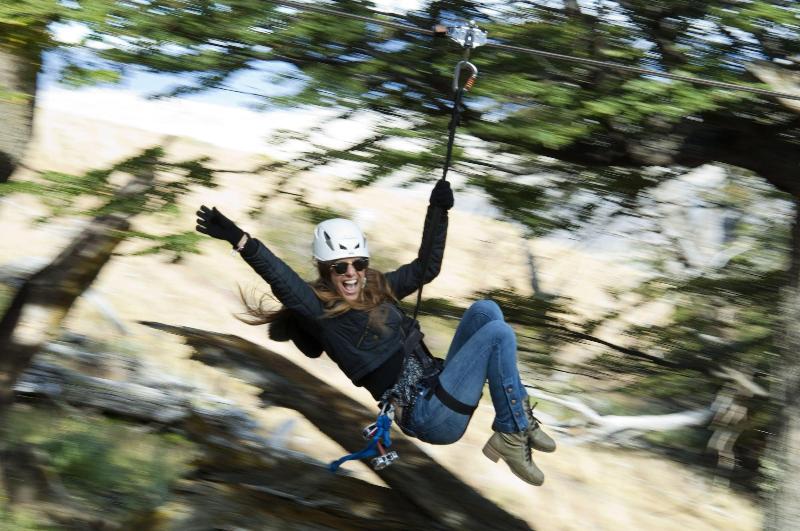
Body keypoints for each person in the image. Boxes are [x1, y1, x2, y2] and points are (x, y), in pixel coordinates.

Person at [195, 180, 556, 486]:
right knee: (498, 335)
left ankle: (518, 419)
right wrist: (240, 239)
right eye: (340, 267)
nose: (351, 274)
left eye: (359, 264)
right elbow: (282, 279)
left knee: (486, 311)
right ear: (325, 271)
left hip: (439, 385)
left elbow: (425, 269)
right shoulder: (324, 315)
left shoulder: (377, 290)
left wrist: (438, 211)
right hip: (429, 416)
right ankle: (512, 431)